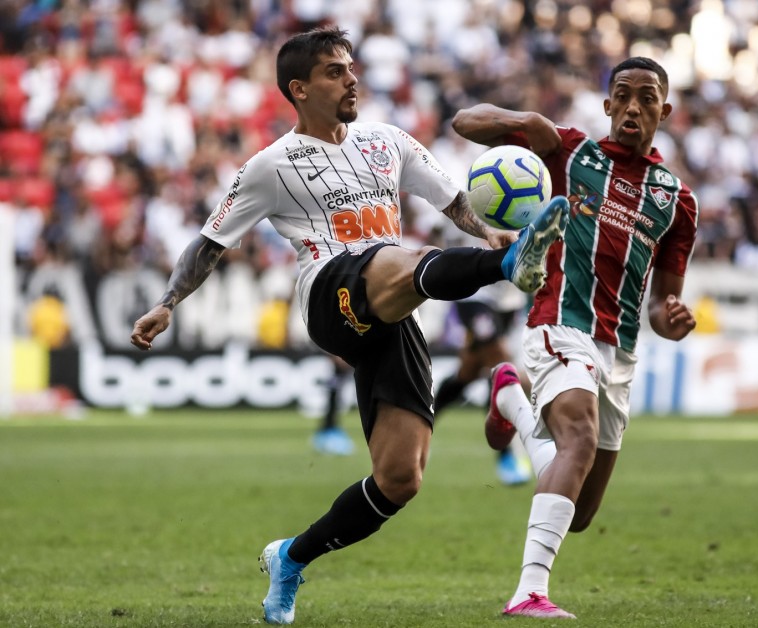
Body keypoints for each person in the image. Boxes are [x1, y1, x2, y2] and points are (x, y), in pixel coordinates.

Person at [129, 26, 569, 625]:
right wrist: (168, 303)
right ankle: (508, 268)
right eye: (335, 71)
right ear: (299, 88)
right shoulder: (270, 165)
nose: (351, 78)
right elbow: (208, 243)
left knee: (400, 478)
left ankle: (291, 556)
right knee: (398, 258)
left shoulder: (388, 142)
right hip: (330, 294)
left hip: (392, 308)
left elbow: (454, 201)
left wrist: (487, 230)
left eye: (351, 67)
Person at [452, 56, 699, 618]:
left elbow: (662, 301)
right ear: (608, 105)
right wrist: (528, 123)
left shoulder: (675, 200)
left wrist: (673, 319)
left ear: (665, 110)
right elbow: (465, 121)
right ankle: (529, 592)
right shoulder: (571, 153)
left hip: (621, 351)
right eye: (623, 95)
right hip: (560, 323)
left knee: (581, 509)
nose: (634, 106)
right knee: (579, 440)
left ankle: (510, 399)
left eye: (647, 97)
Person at [434, 282, 533, 486]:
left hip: (508, 297)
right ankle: (506, 455)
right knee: (499, 362)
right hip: (475, 294)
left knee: (468, 372)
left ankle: (421, 419)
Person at [311, 356, 355, 455]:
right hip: (334, 362)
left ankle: (328, 431)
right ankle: (328, 433)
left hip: (338, 362)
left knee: (335, 399)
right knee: (333, 399)